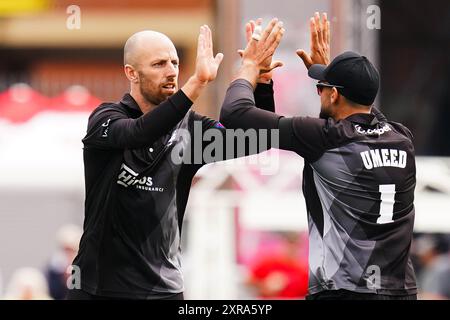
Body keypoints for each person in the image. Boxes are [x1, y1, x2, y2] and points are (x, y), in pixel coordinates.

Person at [68, 23, 284, 300]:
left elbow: (259, 139)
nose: (171, 72)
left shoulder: (190, 130)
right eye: (159, 64)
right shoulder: (106, 118)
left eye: (175, 62)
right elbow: (139, 133)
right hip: (97, 289)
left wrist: (260, 77)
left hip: (163, 290)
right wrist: (197, 84)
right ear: (131, 73)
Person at [220, 12, 418, 300]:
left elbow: (235, 114)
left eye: (321, 88)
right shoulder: (402, 138)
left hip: (343, 291)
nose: (319, 92)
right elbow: (363, 114)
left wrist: (250, 68)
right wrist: (331, 74)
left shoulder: (323, 137)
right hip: (401, 291)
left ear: (334, 95)